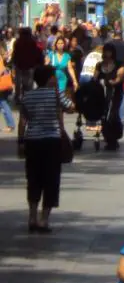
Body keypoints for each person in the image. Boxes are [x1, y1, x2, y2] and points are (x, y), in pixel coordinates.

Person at [17, 64, 73, 232]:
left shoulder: (28, 96)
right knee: (51, 180)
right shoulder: (55, 94)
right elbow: (71, 107)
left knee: (33, 178)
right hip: (51, 141)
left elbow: (22, 121)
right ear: (50, 79)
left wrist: (20, 142)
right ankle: (44, 220)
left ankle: (32, 217)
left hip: (32, 141)